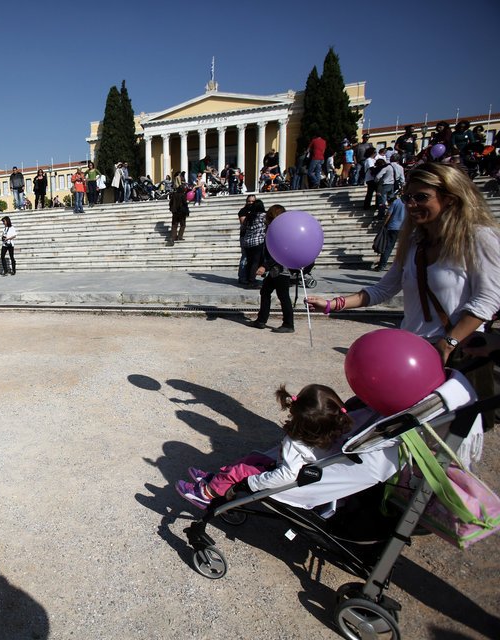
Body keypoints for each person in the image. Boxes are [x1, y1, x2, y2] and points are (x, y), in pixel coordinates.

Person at [306, 163, 500, 421]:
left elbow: (488, 298)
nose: (411, 204)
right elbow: (383, 289)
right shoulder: (414, 244)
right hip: (413, 352)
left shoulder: (478, 237)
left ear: (450, 198)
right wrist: (332, 304)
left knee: (445, 435)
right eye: (407, 197)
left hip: (456, 354)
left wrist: (448, 342)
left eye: (421, 197)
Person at [175, 384, 353, 508]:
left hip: (288, 479)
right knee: (254, 457)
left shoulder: (296, 443)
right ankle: (219, 479)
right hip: (306, 473)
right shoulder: (334, 434)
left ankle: (207, 494)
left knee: (241, 471)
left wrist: (253, 483)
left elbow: (287, 475)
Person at [248, 205, 294, 333]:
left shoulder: (282, 233)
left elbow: (279, 254)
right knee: (265, 292)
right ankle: (261, 320)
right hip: (275, 271)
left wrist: (264, 266)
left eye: (268, 217)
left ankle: (288, 324)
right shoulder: (275, 231)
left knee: (283, 296)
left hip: (281, 270)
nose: (266, 219)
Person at [239, 197, 266, 287]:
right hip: (258, 242)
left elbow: (243, 227)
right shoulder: (263, 215)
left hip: (247, 242)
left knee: (250, 262)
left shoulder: (249, 216)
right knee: (255, 262)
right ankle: (252, 281)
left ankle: (248, 278)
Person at [374, 195, 405, 271]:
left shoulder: (396, 202)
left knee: (388, 247)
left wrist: (384, 224)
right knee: (405, 247)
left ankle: (382, 265)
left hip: (393, 227)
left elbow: (388, 214)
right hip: (405, 228)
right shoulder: (410, 203)